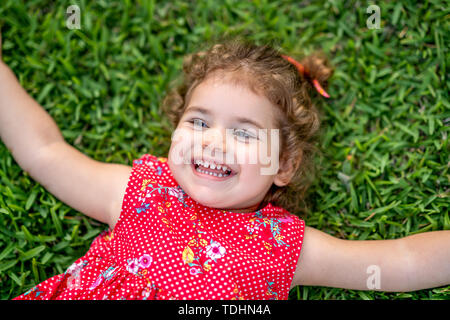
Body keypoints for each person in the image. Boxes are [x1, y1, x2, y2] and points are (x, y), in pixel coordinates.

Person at [1, 33, 449, 300]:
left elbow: (399, 261)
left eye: (245, 132)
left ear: (284, 164)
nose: (214, 142)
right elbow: (45, 151)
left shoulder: (281, 246)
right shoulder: (141, 191)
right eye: (198, 122)